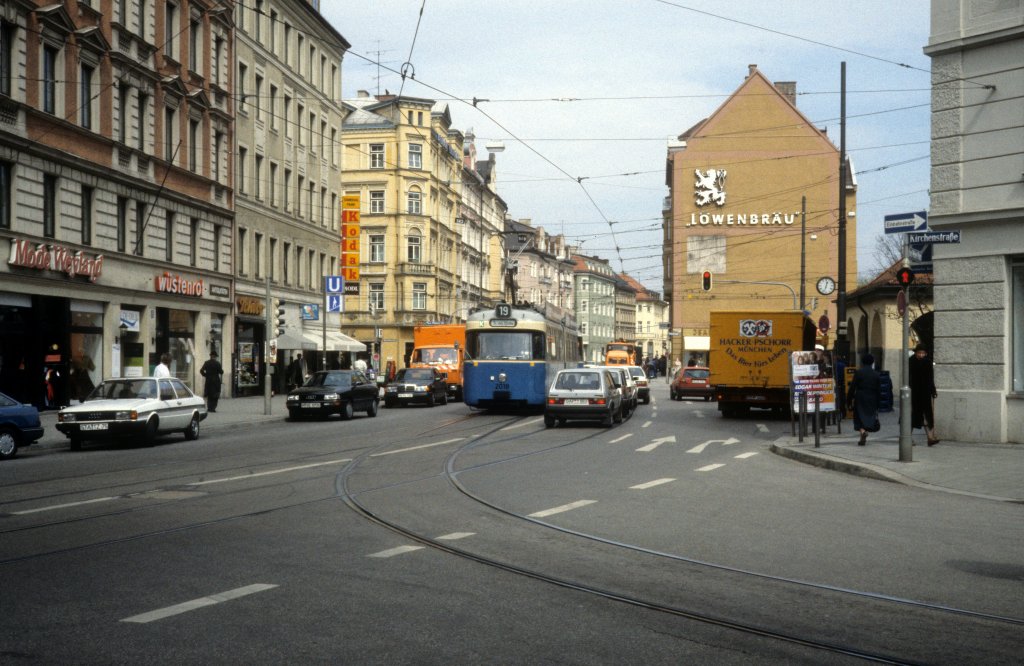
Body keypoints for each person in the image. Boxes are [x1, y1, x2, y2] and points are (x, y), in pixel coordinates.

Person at [847, 353, 882, 445]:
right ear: (872, 362)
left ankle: (862, 432)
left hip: (860, 396)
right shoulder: (876, 374)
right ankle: (863, 436)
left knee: (859, 416)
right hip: (872, 397)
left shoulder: (859, 372)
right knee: (869, 417)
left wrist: (849, 400)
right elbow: (879, 390)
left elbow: (852, 387)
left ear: (862, 362)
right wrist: (878, 403)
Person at [909, 344, 939, 446]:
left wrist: (933, 390)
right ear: (916, 352)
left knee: (927, 415)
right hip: (914, 393)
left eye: (923, 353)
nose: (921, 355)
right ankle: (907, 438)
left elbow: (930, 378)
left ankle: (930, 438)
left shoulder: (927, 362)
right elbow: (908, 377)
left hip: (925, 393)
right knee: (912, 416)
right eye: (919, 353)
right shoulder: (911, 361)